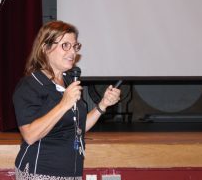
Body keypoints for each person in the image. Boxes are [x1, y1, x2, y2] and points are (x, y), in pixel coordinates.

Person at [13, 20, 121, 179]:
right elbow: (30, 135)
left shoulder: (70, 81)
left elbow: (78, 127)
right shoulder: (30, 85)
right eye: (65, 45)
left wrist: (102, 105)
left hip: (72, 171)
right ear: (46, 48)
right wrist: (64, 104)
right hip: (41, 172)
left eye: (75, 46)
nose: (72, 52)